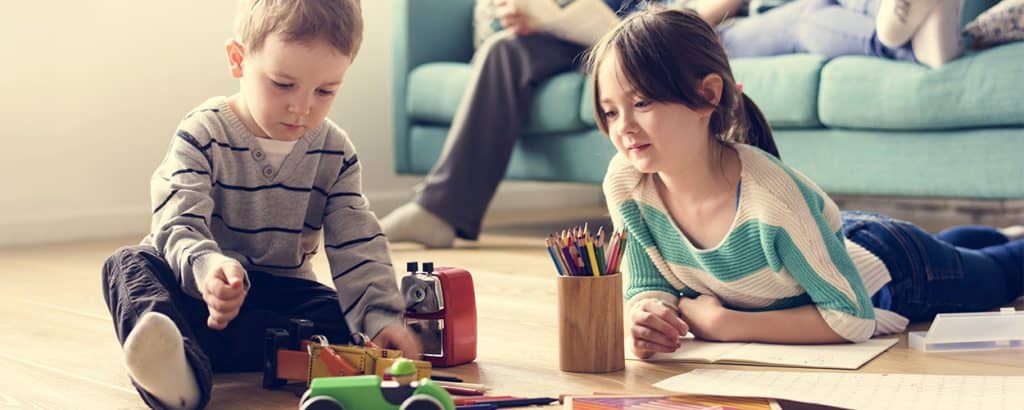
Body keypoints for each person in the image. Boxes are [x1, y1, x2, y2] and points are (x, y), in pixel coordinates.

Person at [587, 7, 1023, 359]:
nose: (622, 127)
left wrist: (727, 325)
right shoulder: (627, 184)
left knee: (1003, 274)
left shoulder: (772, 197)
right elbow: (648, 284)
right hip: (828, 247)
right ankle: (981, 239)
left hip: (896, 269)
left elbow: (851, 318)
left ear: (707, 96)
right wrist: (646, 315)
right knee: (960, 248)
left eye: (641, 102)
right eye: (609, 111)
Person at [100, 1, 420, 408]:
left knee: (339, 318)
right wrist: (210, 268)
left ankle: (200, 351)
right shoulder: (202, 133)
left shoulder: (335, 153)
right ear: (238, 60)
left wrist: (381, 318)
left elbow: (357, 241)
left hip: (278, 297)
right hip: (196, 290)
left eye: (325, 91)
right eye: (283, 84)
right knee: (128, 265)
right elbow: (177, 222)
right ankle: (177, 378)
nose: (302, 108)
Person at [381, 0, 740, 249]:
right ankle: (440, 210)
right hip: (581, 36)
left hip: (652, 39)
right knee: (503, 51)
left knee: (633, 51)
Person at [718, 0, 966, 68]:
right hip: (731, 32)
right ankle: (915, 44)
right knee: (806, 19)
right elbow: (703, 13)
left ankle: (905, 14)